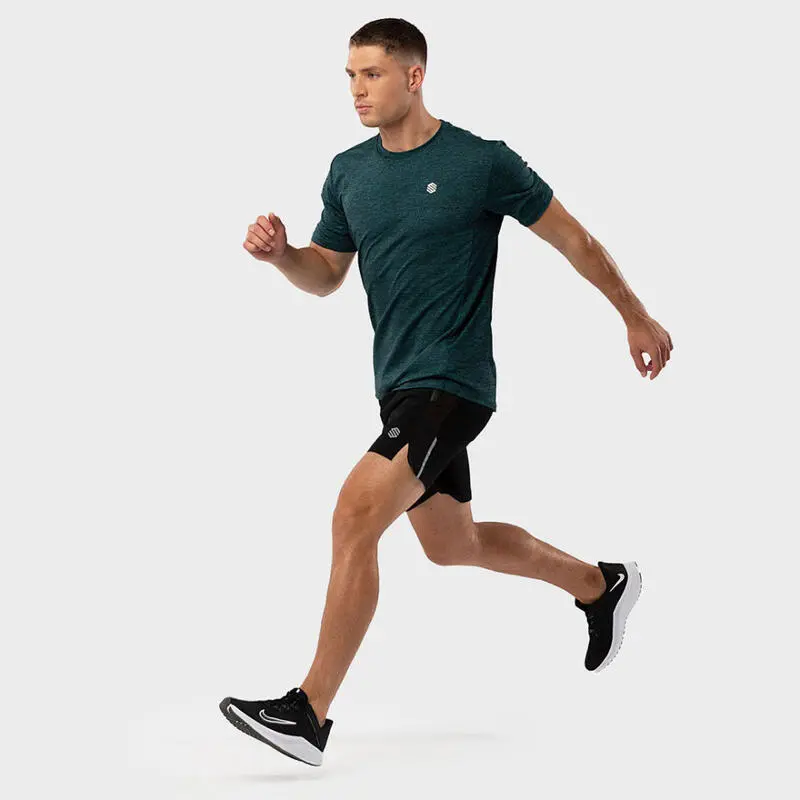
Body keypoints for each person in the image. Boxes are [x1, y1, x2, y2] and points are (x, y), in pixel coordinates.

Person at [220, 17, 672, 767]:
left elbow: (575, 240)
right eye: (350, 76)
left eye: (372, 74)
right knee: (452, 544)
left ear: (414, 76)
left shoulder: (480, 162)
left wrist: (635, 314)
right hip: (398, 387)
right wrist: (282, 256)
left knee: (354, 514)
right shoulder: (348, 172)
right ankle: (600, 585)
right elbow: (325, 275)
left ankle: (308, 713)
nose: (357, 90)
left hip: (453, 383)